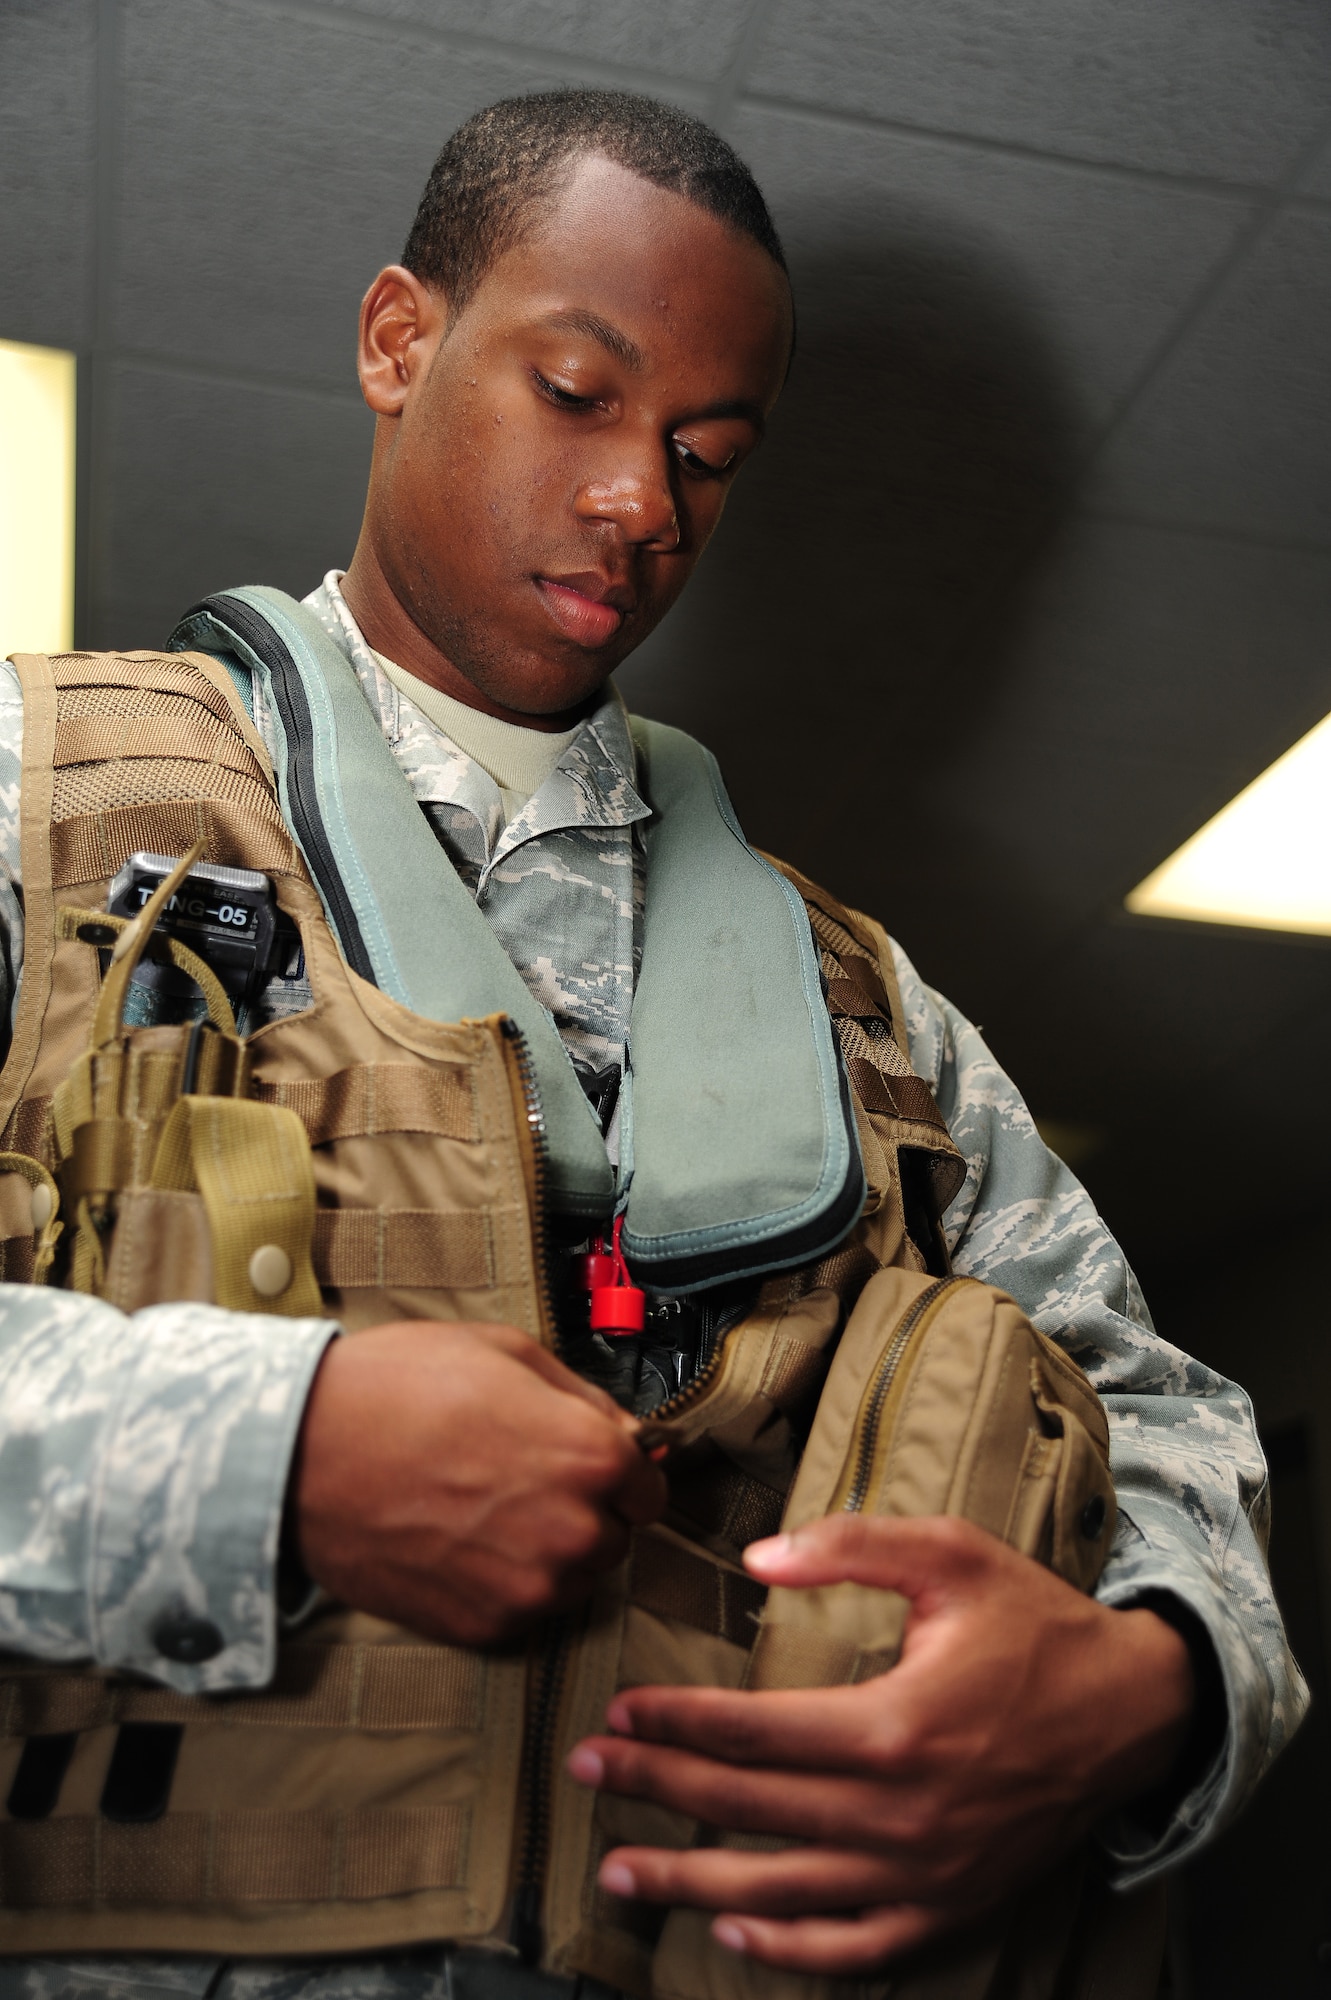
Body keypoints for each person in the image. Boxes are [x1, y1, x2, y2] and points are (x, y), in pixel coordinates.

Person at [0, 89, 1301, 2000]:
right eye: (578, 393)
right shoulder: (44, 799)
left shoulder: (871, 1008)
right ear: (398, 339)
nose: (644, 504)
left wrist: (1152, 1684)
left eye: (708, 450)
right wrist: (265, 1455)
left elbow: (1176, 1427)